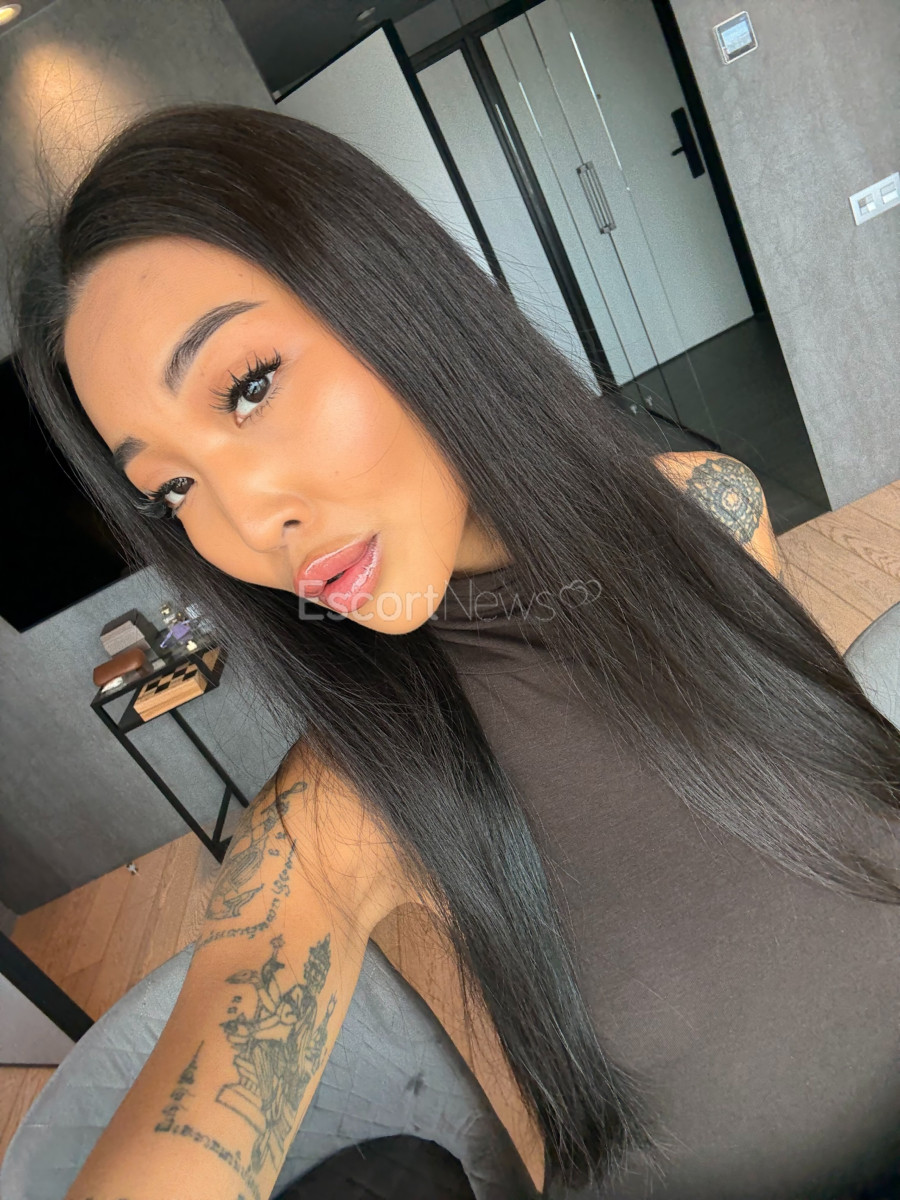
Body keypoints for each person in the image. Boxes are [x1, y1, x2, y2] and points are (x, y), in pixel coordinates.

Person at [12, 103, 900, 1200]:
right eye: (173, 489)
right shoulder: (345, 802)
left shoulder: (714, 511)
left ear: (394, 296)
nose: (246, 522)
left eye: (249, 387)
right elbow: (218, 1050)